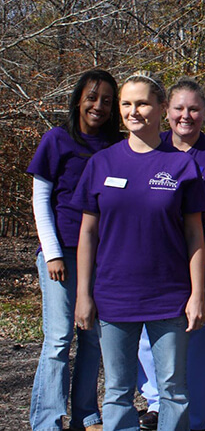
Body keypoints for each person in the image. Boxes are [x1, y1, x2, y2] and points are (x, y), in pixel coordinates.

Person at [73, 71, 205, 431]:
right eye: (127, 104)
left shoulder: (182, 165)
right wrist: (84, 295)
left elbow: (195, 234)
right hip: (114, 294)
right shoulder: (101, 164)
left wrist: (197, 294)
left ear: (162, 108)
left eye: (143, 103)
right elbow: (87, 233)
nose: (134, 111)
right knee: (117, 390)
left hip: (169, 295)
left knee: (173, 391)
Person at [135, 78, 205, 431]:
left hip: (198, 263)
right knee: (147, 341)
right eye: (179, 108)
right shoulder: (149, 148)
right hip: (151, 265)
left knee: (198, 339)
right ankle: (156, 402)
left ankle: (196, 417)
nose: (186, 116)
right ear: (166, 112)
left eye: (194, 109)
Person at [27, 69, 122, 431]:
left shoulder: (115, 147)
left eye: (107, 101)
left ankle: (87, 414)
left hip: (100, 257)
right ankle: (47, 420)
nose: (98, 106)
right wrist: (51, 252)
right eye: (92, 97)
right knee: (58, 337)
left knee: (93, 335)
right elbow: (40, 199)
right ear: (78, 99)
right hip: (61, 254)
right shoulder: (56, 140)